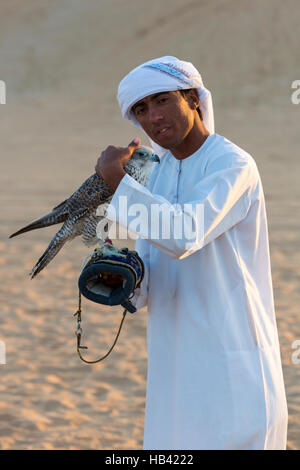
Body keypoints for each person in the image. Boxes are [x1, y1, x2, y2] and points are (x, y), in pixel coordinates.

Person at [95, 56, 288, 450]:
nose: (153, 117)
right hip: (176, 370)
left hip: (233, 365)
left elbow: (185, 235)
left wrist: (118, 183)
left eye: (163, 100)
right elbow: (153, 274)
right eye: (141, 109)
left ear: (192, 98)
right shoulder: (158, 175)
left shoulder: (231, 164)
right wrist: (123, 279)